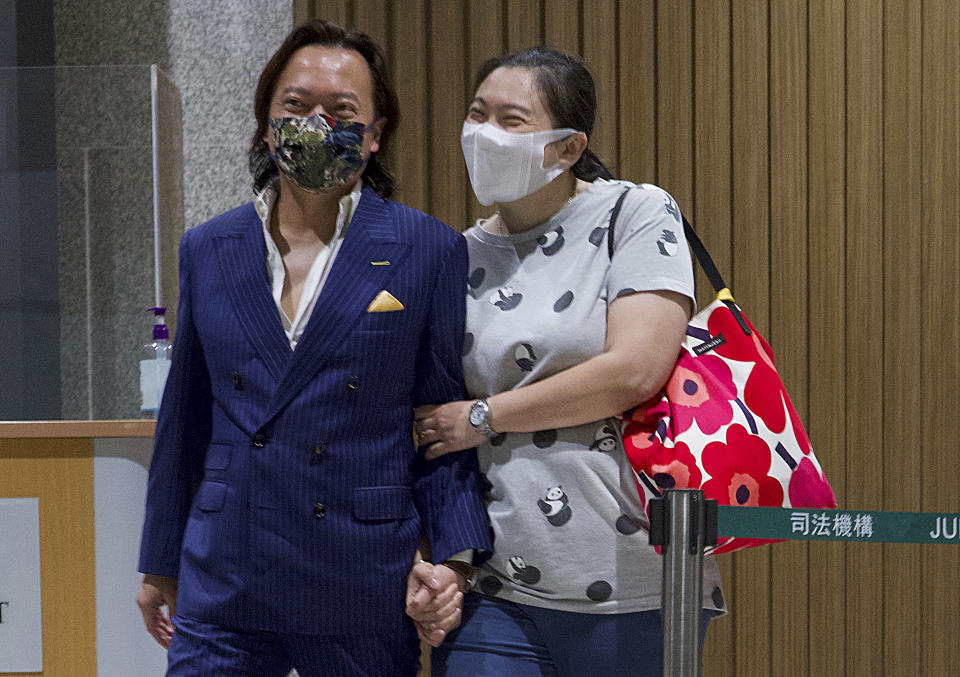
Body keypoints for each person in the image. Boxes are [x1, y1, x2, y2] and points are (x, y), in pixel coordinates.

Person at [136, 19, 491, 677]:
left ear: (376, 133)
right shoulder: (209, 248)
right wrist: (159, 559)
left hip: (359, 575)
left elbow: (440, 422)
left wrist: (452, 558)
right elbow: (183, 418)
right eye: (296, 108)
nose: (318, 125)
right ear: (266, 125)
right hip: (225, 570)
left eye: (342, 111)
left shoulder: (428, 249)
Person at [407, 47, 727, 677]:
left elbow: (634, 370)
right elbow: (429, 419)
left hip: (630, 581)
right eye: (478, 114)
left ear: (568, 147)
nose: (485, 134)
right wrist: (440, 557)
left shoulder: (633, 212)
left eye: (512, 119)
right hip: (494, 583)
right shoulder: (456, 254)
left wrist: (484, 415)